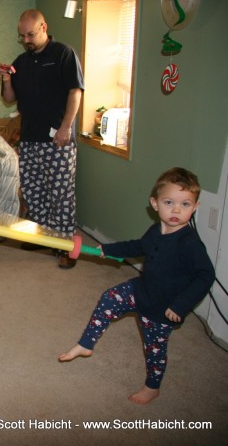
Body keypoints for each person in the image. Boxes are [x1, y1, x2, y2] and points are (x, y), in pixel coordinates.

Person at [58, 168, 215, 405]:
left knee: (154, 350)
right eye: (169, 202)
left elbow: (205, 275)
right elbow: (138, 246)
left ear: (195, 207)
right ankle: (86, 344)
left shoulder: (190, 243)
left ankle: (152, 387)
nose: (176, 210)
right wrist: (107, 250)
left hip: (162, 309)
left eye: (185, 204)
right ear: (155, 203)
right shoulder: (156, 230)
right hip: (141, 289)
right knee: (109, 298)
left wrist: (181, 305)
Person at [0, 9, 84, 269]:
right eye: (22, 36)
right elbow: (9, 98)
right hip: (30, 138)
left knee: (60, 194)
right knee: (34, 193)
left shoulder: (63, 54)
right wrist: (5, 79)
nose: (26, 40)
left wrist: (65, 127)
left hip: (58, 139)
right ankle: (44, 237)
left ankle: (65, 246)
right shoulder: (21, 62)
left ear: (44, 27)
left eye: (30, 34)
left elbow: (75, 92)